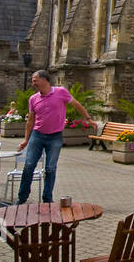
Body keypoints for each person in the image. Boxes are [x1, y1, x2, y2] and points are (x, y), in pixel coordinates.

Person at [16, 70, 95, 203]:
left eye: (35, 80)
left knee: (50, 168)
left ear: (44, 79)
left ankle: (47, 199)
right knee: (29, 165)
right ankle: (22, 197)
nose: (33, 83)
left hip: (55, 137)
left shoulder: (61, 92)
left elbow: (76, 104)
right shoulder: (33, 99)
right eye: (32, 80)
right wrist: (26, 139)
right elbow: (30, 120)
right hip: (37, 135)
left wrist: (88, 119)